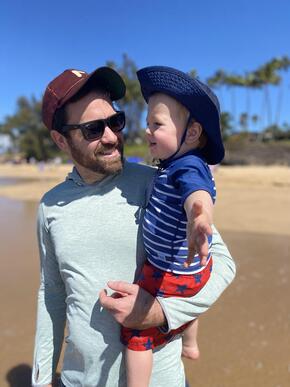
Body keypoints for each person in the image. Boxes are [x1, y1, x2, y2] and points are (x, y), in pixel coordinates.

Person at [32, 66, 236, 387]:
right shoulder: (50, 206)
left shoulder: (159, 184)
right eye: (92, 129)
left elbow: (222, 265)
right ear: (61, 139)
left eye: (116, 121)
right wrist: (42, 375)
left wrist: (161, 313)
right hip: (80, 379)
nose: (112, 137)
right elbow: (52, 294)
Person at [120, 66, 229, 387]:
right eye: (147, 124)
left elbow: (197, 193)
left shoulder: (187, 166)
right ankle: (190, 342)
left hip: (170, 272)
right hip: (196, 270)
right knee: (188, 305)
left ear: (191, 133)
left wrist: (200, 216)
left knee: (136, 333)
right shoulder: (172, 165)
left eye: (157, 124)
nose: (147, 131)